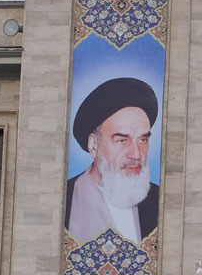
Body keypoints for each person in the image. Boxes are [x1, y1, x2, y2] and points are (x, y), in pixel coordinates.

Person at [65, 76, 161, 244]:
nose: (136, 154)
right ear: (94, 145)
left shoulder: (160, 200)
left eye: (143, 140)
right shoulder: (65, 198)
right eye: (122, 141)